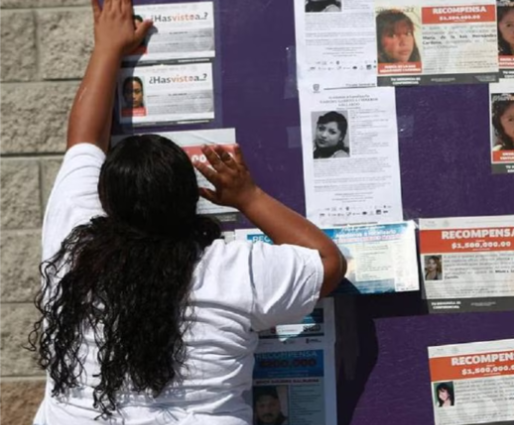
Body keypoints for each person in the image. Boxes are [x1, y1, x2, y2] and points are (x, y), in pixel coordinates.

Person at [27, 1, 347, 424]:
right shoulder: (232, 269)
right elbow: (329, 263)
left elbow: (83, 141)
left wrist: (107, 47)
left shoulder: (74, 245)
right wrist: (249, 197)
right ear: (190, 197)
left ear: (106, 201)